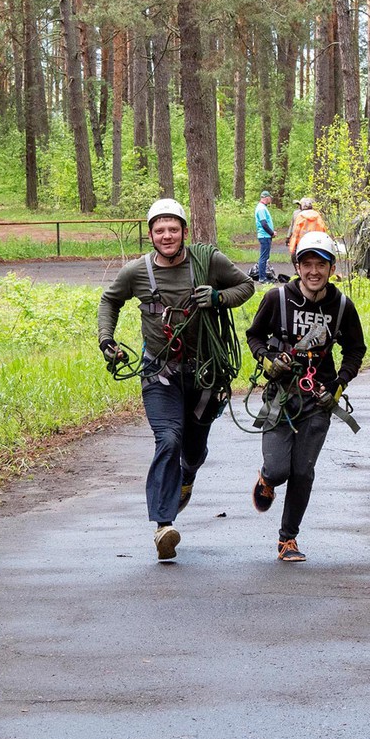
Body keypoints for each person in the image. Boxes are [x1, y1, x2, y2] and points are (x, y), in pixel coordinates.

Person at [97, 198, 255, 562]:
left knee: (194, 450)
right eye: (159, 230)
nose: (166, 236)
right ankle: (163, 526)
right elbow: (109, 301)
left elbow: (246, 286)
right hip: (160, 373)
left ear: (184, 231)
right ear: (150, 235)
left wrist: (217, 297)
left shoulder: (208, 260)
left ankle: (187, 477)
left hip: (205, 374)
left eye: (173, 229)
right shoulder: (135, 272)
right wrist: (108, 340)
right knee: (167, 438)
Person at [244, 230, 367, 562]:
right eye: (307, 264)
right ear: (297, 265)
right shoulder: (276, 299)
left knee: (302, 471)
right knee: (279, 468)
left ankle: (288, 540)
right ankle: (267, 480)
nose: (314, 272)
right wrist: (268, 360)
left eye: (321, 265)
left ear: (331, 268)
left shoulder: (341, 306)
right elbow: (254, 336)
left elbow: (356, 350)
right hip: (279, 399)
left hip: (319, 399)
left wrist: (339, 385)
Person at [254, 190, 274, 283]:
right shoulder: (261, 208)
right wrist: (271, 233)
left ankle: (264, 276)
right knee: (263, 257)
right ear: (266, 198)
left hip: (266, 235)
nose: (270, 199)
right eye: (270, 197)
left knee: (265, 256)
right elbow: (264, 223)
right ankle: (262, 278)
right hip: (265, 236)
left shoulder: (262, 207)